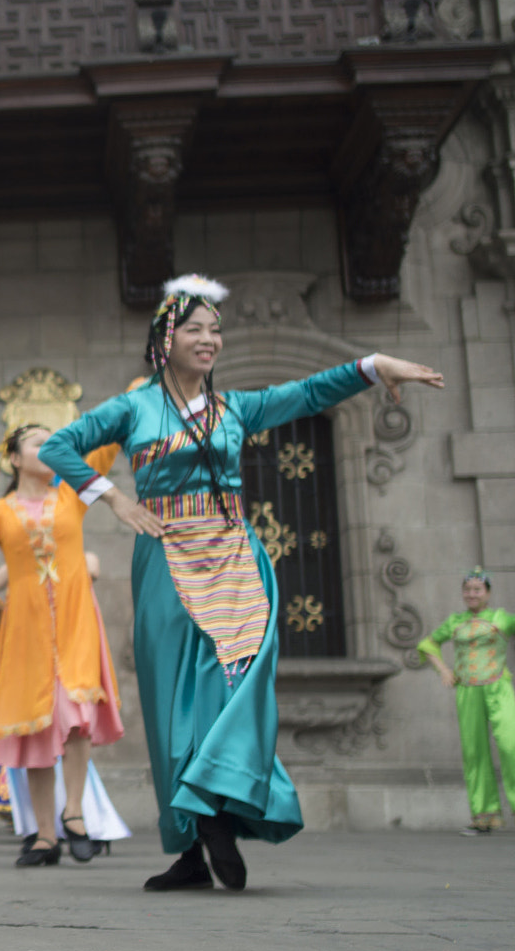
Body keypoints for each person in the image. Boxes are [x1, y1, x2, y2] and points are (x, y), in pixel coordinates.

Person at [38, 274, 444, 892]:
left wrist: (370, 364)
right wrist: (114, 498)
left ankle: (219, 811)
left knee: (237, 685)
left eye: (216, 330)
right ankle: (193, 844)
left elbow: (308, 392)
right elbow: (61, 446)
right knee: (175, 704)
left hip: (234, 558)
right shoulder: (134, 407)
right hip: (166, 556)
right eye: (195, 329)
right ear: (165, 340)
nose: (209, 339)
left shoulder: (236, 409)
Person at [0, 430, 125, 866]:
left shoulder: (72, 496)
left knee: (78, 716)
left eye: (54, 442)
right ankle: (46, 836)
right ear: (13, 457)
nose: (47, 449)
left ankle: (75, 813)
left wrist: (145, 387)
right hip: (25, 631)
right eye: (37, 443)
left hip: (76, 621)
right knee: (37, 728)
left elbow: (105, 447)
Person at [0, 559, 131, 859]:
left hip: (69, 657)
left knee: (74, 726)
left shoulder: (76, 554)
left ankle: (78, 817)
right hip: (29, 653)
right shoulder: (19, 559)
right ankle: (45, 834)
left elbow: (93, 567)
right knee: (35, 736)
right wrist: (2, 609)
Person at [417, 568, 515, 836]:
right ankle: (484, 816)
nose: (471, 594)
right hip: (468, 691)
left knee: (511, 745)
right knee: (475, 752)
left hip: (498, 688)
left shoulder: (501, 618)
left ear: (488, 593)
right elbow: (427, 645)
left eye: (477, 590)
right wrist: (445, 670)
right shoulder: (455, 621)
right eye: (467, 590)